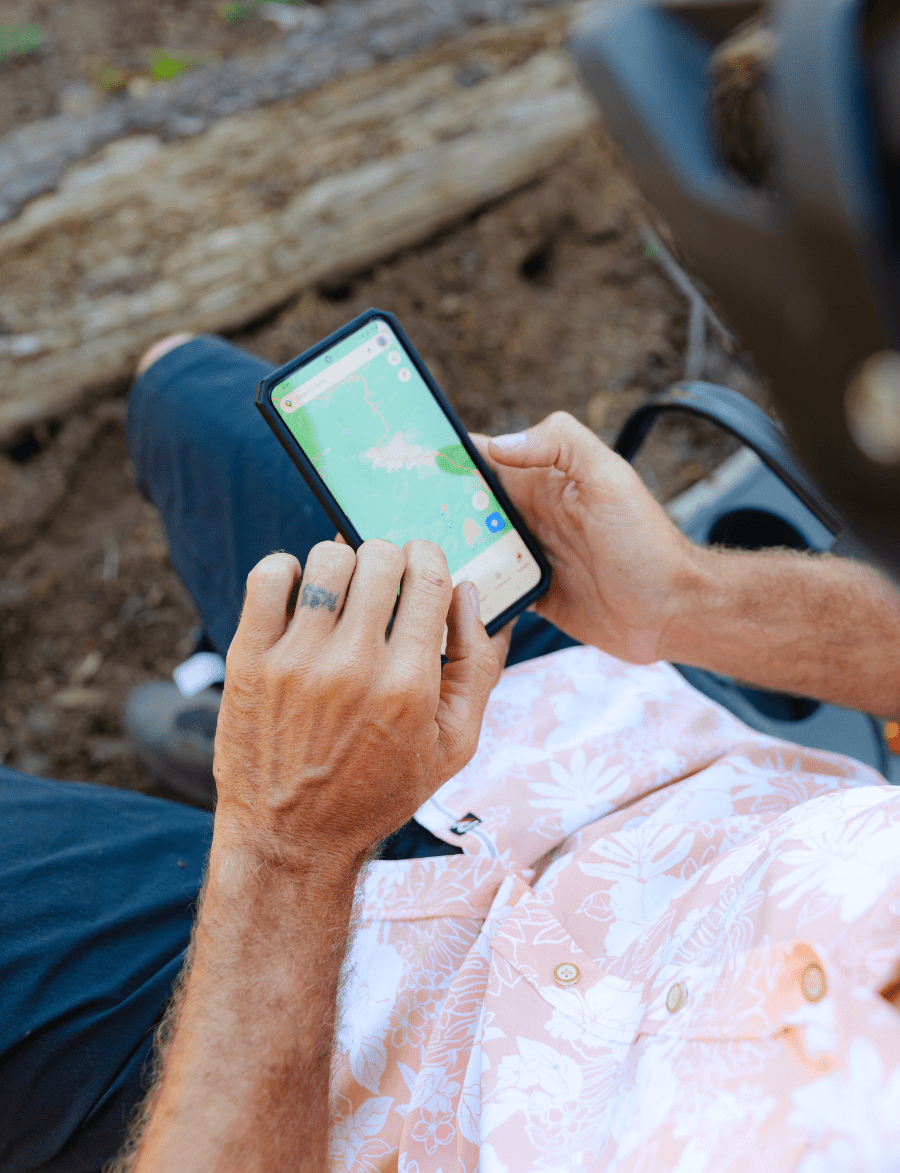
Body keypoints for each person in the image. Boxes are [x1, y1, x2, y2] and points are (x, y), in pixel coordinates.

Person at [2, 334, 900, 1173]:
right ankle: (240, 701)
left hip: (326, 1058)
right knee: (182, 386)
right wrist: (684, 601)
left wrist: (284, 848)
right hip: (598, 745)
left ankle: (257, 747)